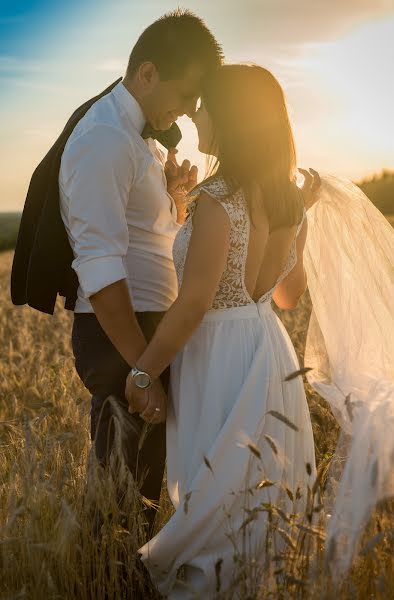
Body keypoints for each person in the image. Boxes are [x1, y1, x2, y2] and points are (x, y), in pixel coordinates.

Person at [125, 64, 320, 598]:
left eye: (205, 106)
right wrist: (183, 204)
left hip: (216, 356)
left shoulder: (219, 198)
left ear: (231, 120)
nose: (195, 115)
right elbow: (284, 295)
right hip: (266, 350)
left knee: (212, 489)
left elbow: (193, 305)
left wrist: (145, 371)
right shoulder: (288, 199)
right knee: (255, 499)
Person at [56, 9, 223, 539]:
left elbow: (144, 237)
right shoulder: (104, 138)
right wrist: (141, 367)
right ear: (147, 73)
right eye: (187, 93)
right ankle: (104, 581)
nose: (190, 111)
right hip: (123, 332)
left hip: (150, 326)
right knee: (120, 492)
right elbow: (100, 268)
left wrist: (174, 202)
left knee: (144, 483)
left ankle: (125, 577)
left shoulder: (140, 138)